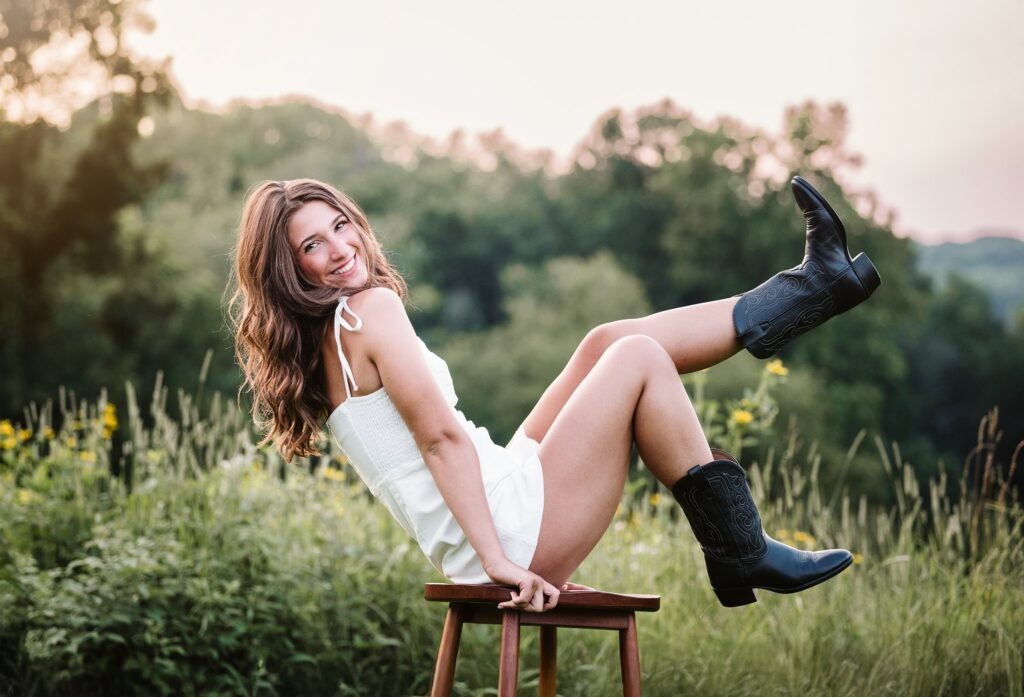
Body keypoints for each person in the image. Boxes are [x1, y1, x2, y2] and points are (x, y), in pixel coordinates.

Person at [228, 176, 880, 613]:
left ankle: (811, 287)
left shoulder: (321, 346)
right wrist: (497, 560)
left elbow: (436, 450)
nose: (341, 248)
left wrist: (482, 555)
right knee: (636, 357)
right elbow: (438, 438)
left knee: (602, 343)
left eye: (340, 226)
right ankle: (741, 548)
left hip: (491, 513)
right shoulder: (367, 310)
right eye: (313, 245)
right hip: (505, 535)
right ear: (291, 269)